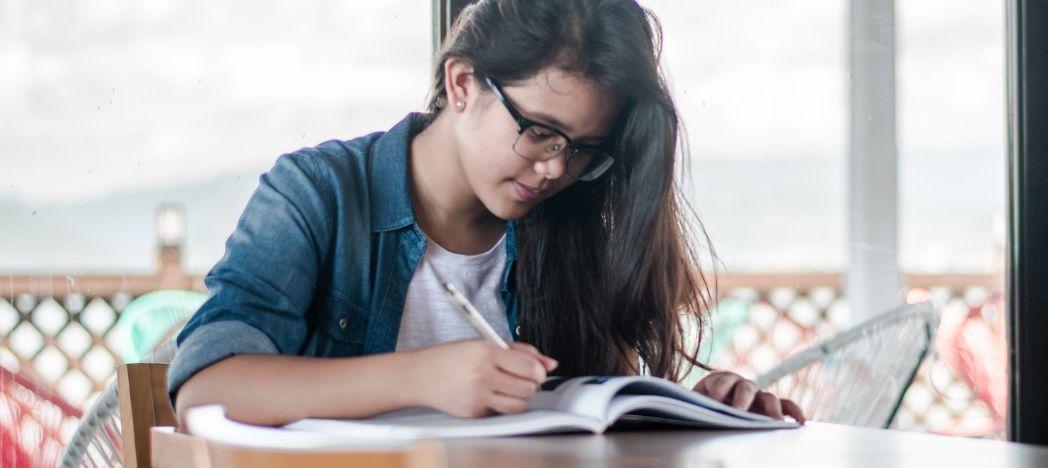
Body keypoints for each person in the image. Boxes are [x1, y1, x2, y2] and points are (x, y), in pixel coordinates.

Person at [170, 0, 805, 427]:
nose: (557, 168)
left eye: (583, 149)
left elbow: (596, 416)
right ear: (463, 84)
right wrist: (423, 377)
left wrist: (688, 412)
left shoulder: (570, 224)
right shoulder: (318, 193)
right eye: (539, 131)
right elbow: (207, 383)